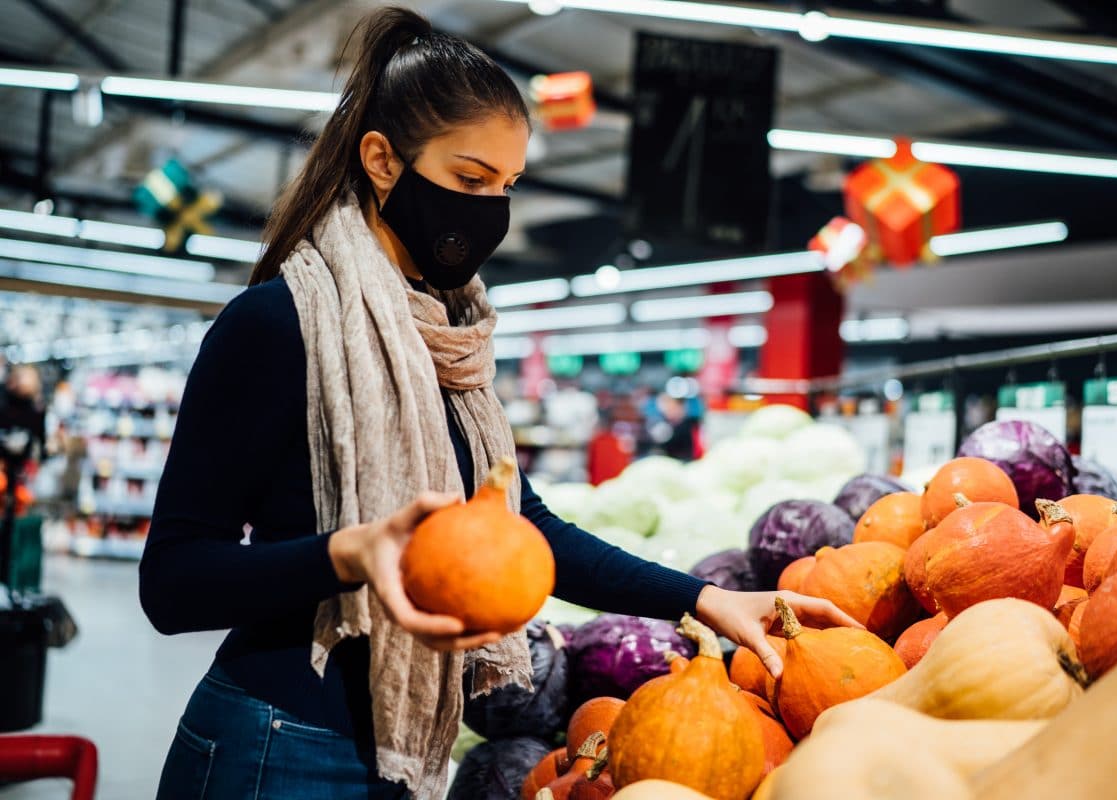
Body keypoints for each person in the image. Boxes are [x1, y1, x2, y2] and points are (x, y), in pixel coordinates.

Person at [139, 8, 858, 799]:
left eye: (507, 186)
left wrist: (708, 599)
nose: (490, 210)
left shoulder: (452, 339)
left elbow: (524, 525)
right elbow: (173, 583)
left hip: (406, 756)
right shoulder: (276, 325)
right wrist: (346, 555)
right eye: (469, 180)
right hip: (275, 747)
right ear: (382, 160)